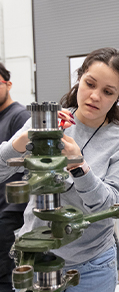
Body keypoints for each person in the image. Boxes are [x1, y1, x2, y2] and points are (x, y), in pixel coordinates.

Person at [0, 47, 119, 292]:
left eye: (108, 92)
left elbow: (110, 206)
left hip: (90, 266)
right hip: (35, 258)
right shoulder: (45, 122)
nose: (95, 96)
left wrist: (79, 166)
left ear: (118, 97)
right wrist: (19, 143)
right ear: (79, 79)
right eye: (90, 84)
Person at [0, 63, 30, 292]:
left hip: (10, 213)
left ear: (8, 84)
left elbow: (26, 169)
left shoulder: (19, 117)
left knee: (8, 274)